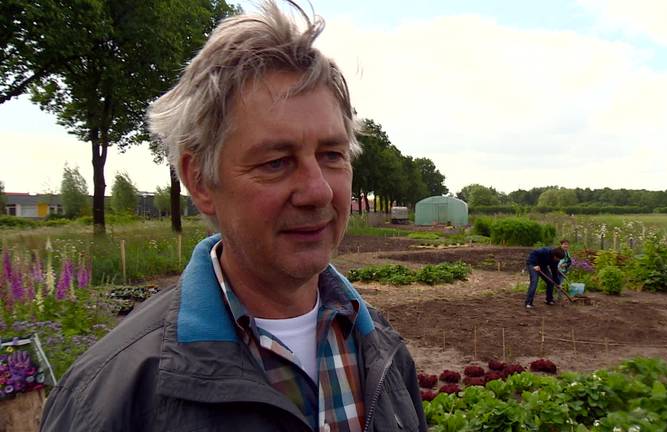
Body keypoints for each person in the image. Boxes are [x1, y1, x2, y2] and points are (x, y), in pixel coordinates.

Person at [40, 3, 427, 431]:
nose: (318, 190)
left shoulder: (384, 352)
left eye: (331, 155)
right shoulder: (110, 398)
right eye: (277, 161)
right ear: (201, 180)